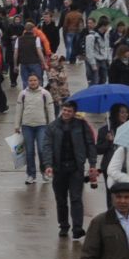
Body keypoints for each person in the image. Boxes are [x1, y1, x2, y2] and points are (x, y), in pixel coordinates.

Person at [48, 97, 98, 239]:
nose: (66, 113)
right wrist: (48, 165)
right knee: (61, 200)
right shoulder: (53, 127)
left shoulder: (82, 125)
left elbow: (90, 144)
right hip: (59, 169)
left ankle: (77, 228)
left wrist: (93, 164)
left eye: (69, 111)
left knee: (76, 198)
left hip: (76, 168)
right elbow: (47, 147)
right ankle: (63, 226)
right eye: (64, 110)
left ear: (74, 112)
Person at [14, 71, 56, 184]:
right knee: (29, 151)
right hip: (27, 126)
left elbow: (50, 111)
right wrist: (17, 125)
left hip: (42, 126)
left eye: (35, 80)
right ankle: (31, 175)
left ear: (39, 81)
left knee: (42, 150)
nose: (32, 82)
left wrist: (52, 126)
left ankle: (44, 172)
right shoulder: (22, 94)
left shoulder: (45, 94)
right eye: (30, 80)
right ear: (27, 82)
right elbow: (18, 111)